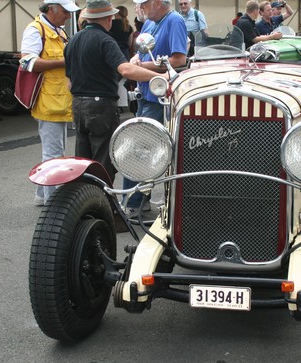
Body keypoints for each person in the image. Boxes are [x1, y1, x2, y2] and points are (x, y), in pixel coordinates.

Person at [64, 0, 165, 183]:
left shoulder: (73, 40)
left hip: (78, 104)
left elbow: (69, 82)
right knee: (103, 162)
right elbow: (126, 70)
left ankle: (84, 203)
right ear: (109, 18)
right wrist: (160, 77)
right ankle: (104, 207)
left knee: (83, 161)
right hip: (100, 106)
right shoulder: (105, 40)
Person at [124, 0, 187, 215]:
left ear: (158, 2)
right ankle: (138, 198)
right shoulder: (150, 23)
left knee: (141, 148)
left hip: (158, 97)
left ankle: (134, 201)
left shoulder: (174, 21)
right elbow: (142, 52)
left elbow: (178, 59)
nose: (140, 8)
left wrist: (141, 66)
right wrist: (135, 59)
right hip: (146, 93)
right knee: (142, 147)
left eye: (144, 3)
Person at [20, 0, 79, 206]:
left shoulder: (58, 30)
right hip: (49, 101)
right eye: (64, 11)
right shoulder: (35, 30)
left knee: (54, 152)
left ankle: (41, 194)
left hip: (60, 100)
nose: (67, 15)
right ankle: (52, 203)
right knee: (54, 156)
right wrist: (63, 62)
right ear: (52, 8)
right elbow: (26, 62)